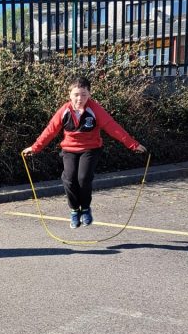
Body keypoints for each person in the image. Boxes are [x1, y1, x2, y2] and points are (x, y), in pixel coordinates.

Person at [23, 75, 146, 228]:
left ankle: (86, 209)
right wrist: (35, 148)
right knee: (69, 178)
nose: (79, 98)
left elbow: (113, 127)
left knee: (83, 178)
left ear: (89, 94)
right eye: (76, 94)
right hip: (69, 149)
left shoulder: (95, 110)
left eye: (83, 94)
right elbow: (50, 130)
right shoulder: (64, 110)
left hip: (91, 149)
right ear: (69, 95)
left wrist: (133, 145)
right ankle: (75, 210)